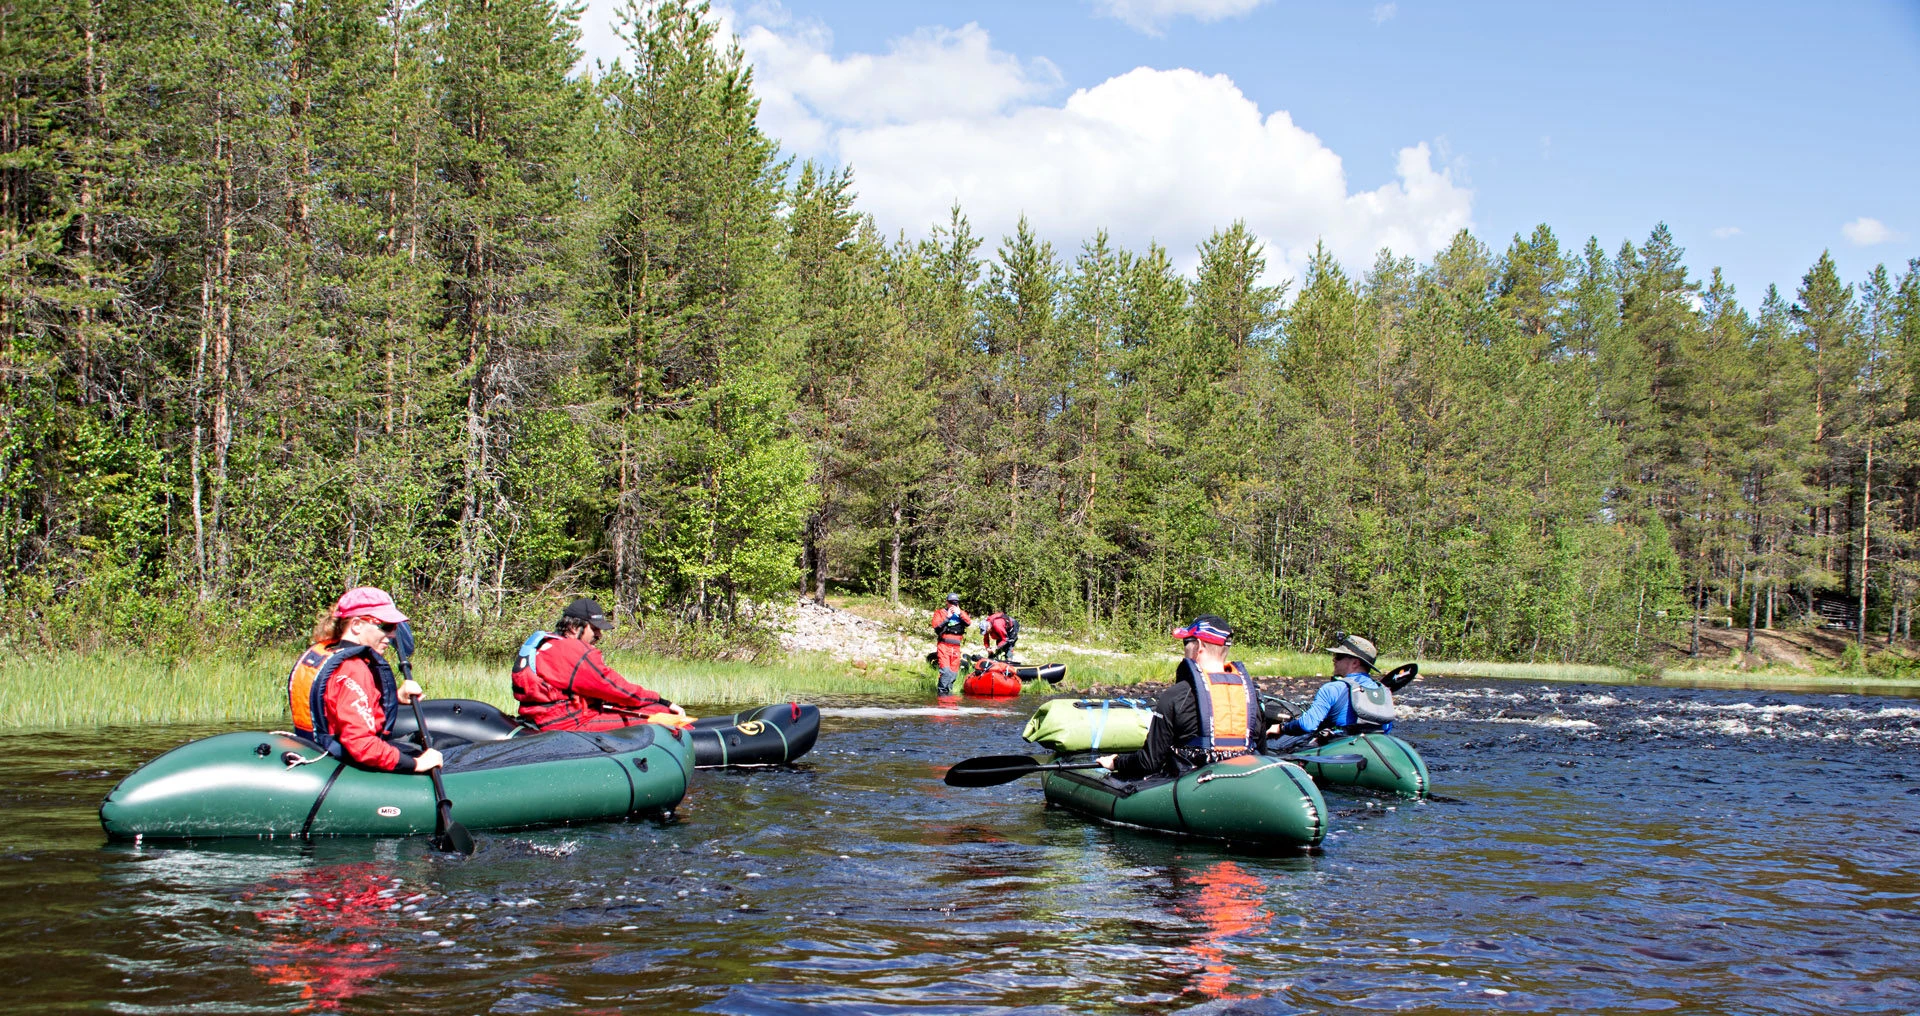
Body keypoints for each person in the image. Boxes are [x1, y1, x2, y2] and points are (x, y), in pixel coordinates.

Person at [287, 587, 441, 774]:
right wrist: (417, 764)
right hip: (346, 763)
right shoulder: (353, 668)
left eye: (394, 627)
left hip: (323, 755)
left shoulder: (331, 655)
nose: (392, 634)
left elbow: (337, 702)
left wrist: (395, 696)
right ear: (357, 625)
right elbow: (362, 745)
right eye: (385, 626)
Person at [1097, 615, 1269, 779]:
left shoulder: (1176, 696)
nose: (1184, 647)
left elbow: (1149, 762)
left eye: (1186, 642)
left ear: (1199, 645)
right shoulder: (1251, 696)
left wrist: (1117, 762)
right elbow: (1261, 753)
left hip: (1193, 788)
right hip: (1240, 780)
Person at [512, 597, 687, 732]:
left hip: (541, 718)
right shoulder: (572, 651)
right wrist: (662, 701)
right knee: (663, 715)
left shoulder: (545, 644)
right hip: (566, 724)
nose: (599, 635)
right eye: (594, 629)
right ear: (574, 627)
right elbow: (619, 691)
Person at [1275, 632, 1396, 740]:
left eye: (1339, 656)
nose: (1334, 660)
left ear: (1355, 663)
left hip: (1339, 752)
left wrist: (1282, 728)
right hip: (1371, 748)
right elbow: (1386, 729)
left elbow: (1308, 725)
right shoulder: (1383, 692)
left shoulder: (1332, 689)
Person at [929, 592, 971, 696]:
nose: (953, 605)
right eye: (951, 603)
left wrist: (959, 612)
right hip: (944, 646)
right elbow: (936, 627)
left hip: (956, 648)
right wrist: (947, 617)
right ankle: (942, 694)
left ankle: (948, 696)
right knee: (946, 672)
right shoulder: (940, 613)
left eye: (955, 603)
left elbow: (968, 622)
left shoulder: (961, 613)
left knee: (953, 674)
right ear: (947, 602)